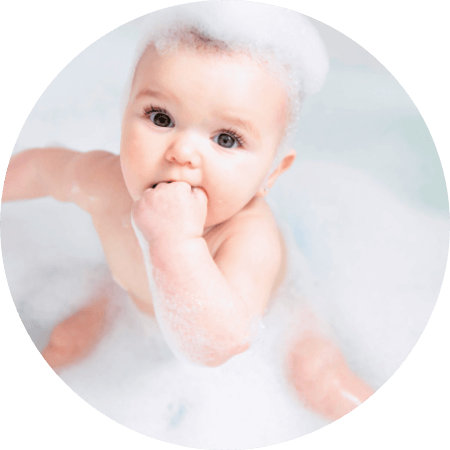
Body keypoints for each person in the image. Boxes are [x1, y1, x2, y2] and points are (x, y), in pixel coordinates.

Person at [1, 2, 373, 421]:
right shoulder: (103, 182)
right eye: (161, 117)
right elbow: (38, 170)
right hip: (129, 297)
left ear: (272, 173)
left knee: (322, 382)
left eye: (226, 139)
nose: (182, 152)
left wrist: (174, 241)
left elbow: (217, 344)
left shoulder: (249, 238)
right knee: (65, 343)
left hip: (274, 322)